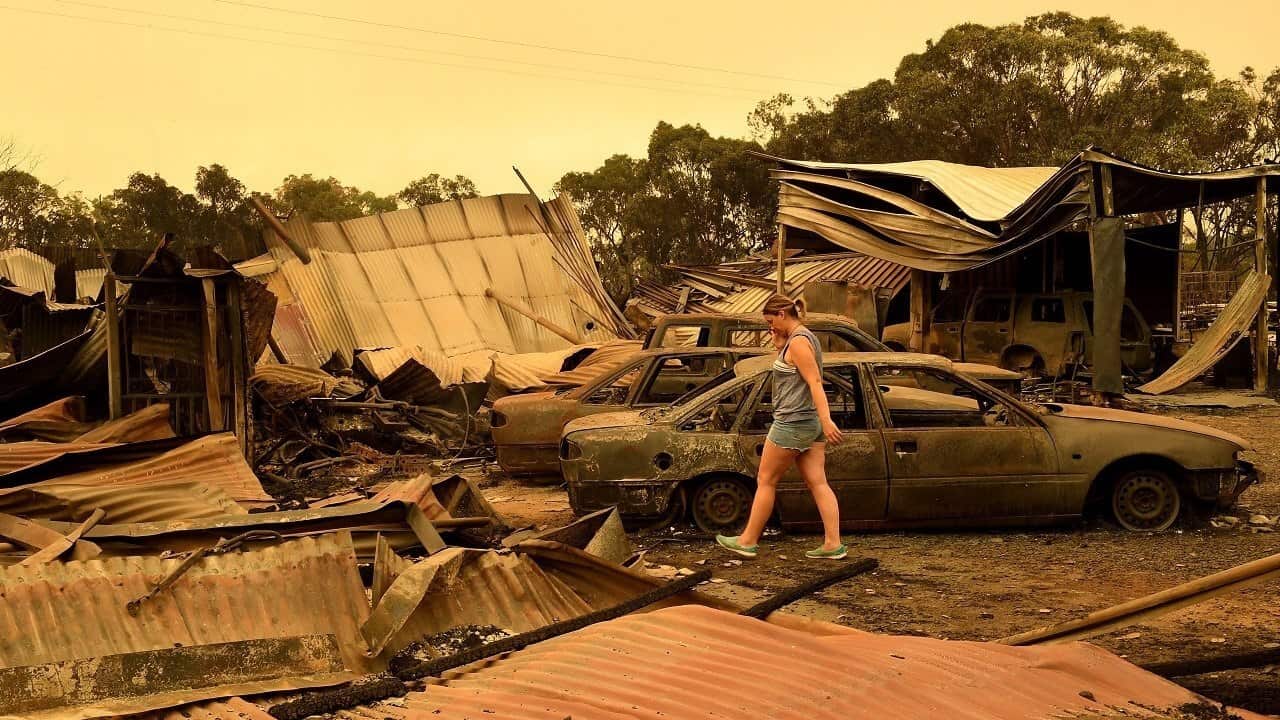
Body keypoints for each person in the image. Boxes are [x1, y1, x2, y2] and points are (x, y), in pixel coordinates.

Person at [716, 294, 847, 560]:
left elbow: (815, 383)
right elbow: (792, 374)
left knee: (766, 480)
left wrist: (827, 419)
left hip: (792, 422)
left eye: (770, 321)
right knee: (818, 482)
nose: (769, 327)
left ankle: (748, 540)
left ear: (782, 315)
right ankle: (833, 544)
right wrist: (778, 342)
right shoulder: (802, 338)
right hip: (807, 422)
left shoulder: (798, 343)